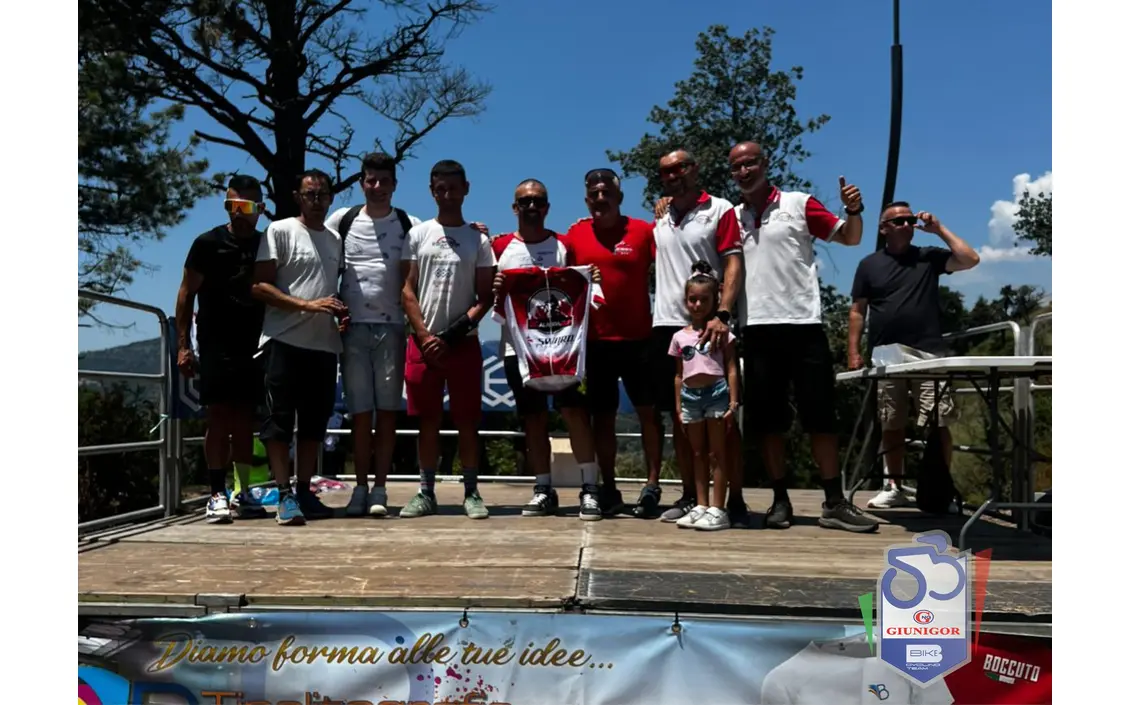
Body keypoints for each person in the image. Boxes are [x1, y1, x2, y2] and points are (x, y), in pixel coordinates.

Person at [725, 140, 877, 533]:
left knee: (821, 418)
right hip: (756, 327)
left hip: (804, 325)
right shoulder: (732, 217)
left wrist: (854, 210)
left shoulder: (798, 203)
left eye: (750, 163)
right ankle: (780, 500)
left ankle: (834, 502)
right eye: (736, 166)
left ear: (765, 163)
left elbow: (850, 238)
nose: (744, 171)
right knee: (768, 424)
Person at [848, 203, 980, 508]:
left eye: (909, 219)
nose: (906, 224)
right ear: (883, 228)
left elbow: (970, 259)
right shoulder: (868, 265)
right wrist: (853, 351)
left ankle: (940, 490)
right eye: (898, 221)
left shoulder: (928, 257)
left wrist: (939, 229)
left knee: (938, 421)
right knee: (891, 421)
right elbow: (857, 311)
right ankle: (894, 485)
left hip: (928, 352)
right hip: (886, 354)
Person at [492, 179, 603, 520]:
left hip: (564, 348)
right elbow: (484, 288)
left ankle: (590, 488)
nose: (531, 206)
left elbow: (582, 285)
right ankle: (543, 488)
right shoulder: (498, 246)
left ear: (547, 207)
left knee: (574, 414)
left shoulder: (564, 245)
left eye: (538, 201)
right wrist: (496, 285)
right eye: (525, 201)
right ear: (514, 207)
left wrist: (592, 278)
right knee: (534, 418)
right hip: (519, 350)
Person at [651, 150, 750, 528]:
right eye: (665, 171)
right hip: (669, 325)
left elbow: (734, 262)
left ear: (695, 169)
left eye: (680, 168)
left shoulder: (719, 209)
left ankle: (733, 500)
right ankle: (692, 496)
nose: (672, 175)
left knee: (725, 422)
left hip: (711, 327)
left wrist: (722, 314)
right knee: (682, 419)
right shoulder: (661, 216)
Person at [563, 169, 666, 517]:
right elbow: (551, 265)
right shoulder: (575, 235)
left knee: (649, 414)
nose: (600, 198)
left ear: (619, 197)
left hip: (640, 340)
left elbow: (674, 258)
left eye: (606, 192)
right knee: (603, 419)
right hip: (595, 342)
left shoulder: (643, 231)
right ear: (586, 200)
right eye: (594, 194)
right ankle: (609, 487)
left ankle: (652, 486)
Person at [325, 152, 422, 518]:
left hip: (393, 328)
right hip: (351, 329)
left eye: (384, 181)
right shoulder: (343, 219)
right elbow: (317, 248)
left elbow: (440, 242)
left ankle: (380, 488)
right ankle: (360, 488)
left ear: (394, 185)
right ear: (362, 183)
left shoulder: (409, 223)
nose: (377, 187)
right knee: (360, 413)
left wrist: (477, 231)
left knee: (387, 413)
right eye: (371, 180)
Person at [251, 169, 348, 526]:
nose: (317, 200)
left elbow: (329, 289)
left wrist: (339, 313)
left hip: (323, 345)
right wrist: (307, 305)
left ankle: (304, 490)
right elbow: (259, 286)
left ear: (331, 198)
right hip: (283, 341)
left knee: (313, 425)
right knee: (278, 423)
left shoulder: (335, 240)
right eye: (310, 194)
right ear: (298, 197)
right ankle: (284, 493)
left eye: (322, 194)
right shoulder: (279, 231)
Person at [400, 159, 496, 520]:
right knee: (427, 421)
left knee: (467, 421)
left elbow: (485, 297)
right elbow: (406, 289)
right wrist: (425, 335)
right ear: (431, 191)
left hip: (463, 345)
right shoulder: (418, 234)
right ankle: (426, 492)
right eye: (440, 188)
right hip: (422, 344)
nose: (447, 195)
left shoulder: (478, 240)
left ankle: (471, 492)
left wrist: (451, 335)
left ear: (465, 189)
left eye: (453, 188)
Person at [175, 175, 269, 524]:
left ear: (260, 208)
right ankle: (216, 493)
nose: (238, 212)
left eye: (246, 206)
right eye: (232, 205)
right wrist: (183, 346)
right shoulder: (207, 243)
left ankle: (242, 491)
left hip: (255, 344)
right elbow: (186, 293)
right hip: (215, 341)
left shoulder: (267, 245)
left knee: (245, 419)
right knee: (218, 417)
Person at [668, 261, 740, 531]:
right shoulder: (679, 337)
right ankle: (701, 504)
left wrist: (733, 401)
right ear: (686, 300)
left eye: (704, 300)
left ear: (715, 301)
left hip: (717, 393)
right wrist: (678, 405)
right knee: (697, 452)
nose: (697, 305)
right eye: (692, 299)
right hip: (690, 397)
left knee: (717, 452)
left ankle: (718, 508)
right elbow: (679, 375)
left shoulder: (723, 334)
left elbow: (731, 368)